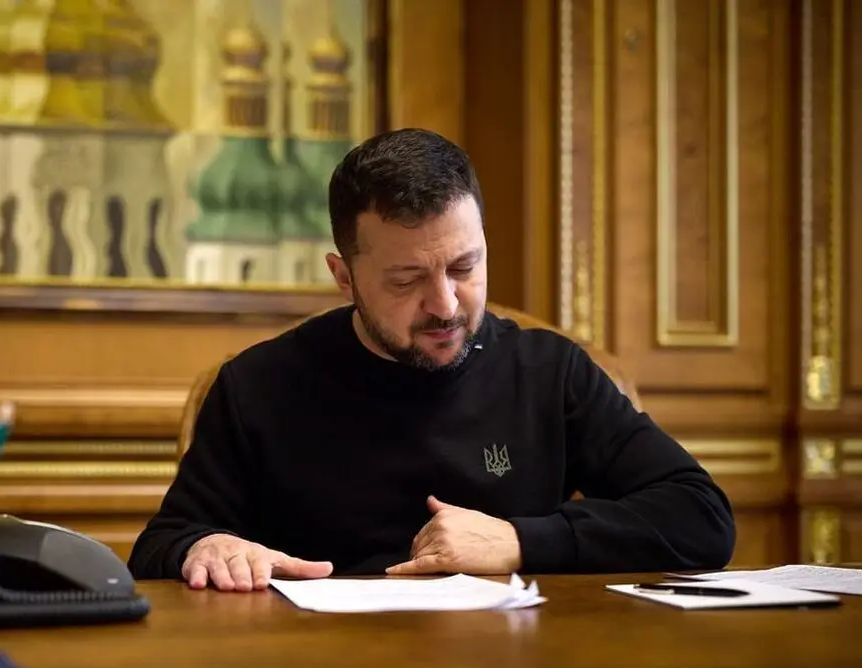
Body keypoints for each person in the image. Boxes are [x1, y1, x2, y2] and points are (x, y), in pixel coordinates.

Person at [129, 128, 735, 591]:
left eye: (465, 267)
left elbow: (700, 516)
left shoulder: (549, 373)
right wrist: (205, 549)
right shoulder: (258, 386)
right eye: (406, 280)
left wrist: (520, 541)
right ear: (344, 277)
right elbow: (163, 545)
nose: (445, 305)